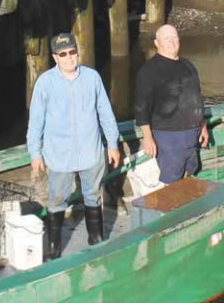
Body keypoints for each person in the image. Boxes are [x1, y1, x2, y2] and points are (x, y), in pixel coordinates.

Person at [27, 33, 120, 259]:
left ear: (78, 52)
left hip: (91, 151)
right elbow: (36, 119)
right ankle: (54, 246)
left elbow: (105, 112)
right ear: (55, 57)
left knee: (93, 195)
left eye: (72, 52)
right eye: (63, 54)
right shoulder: (45, 83)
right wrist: (35, 152)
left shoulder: (92, 77)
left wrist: (113, 143)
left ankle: (95, 237)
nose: (69, 58)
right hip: (59, 155)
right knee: (57, 199)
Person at [134, 24, 209, 184]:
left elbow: (196, 97)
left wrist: (202, 125)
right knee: (172, 181)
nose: (172, 41)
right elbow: (141, 108)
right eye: (166, 38)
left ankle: (185, 206)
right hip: (169, 137)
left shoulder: (188, 66)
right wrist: (147, 137)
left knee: (190, 170)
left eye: (174, 37)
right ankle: (171, 208)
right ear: (156, 42)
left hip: (193, 133)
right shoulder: (149, 71)